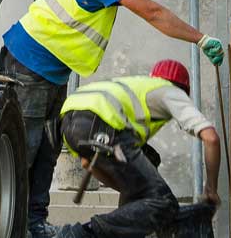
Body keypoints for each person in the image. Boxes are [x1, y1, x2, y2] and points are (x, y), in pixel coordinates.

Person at [0, 0, 227, 238]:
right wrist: (200, 38)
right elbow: (154, 13)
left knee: (45, 155)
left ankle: (34, 228)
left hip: (45, 67)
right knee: (26, 151)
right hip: (30, 66)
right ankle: (12, 229)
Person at [53, 59, 221, 238]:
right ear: (184, 90)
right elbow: (211, 138)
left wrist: (134, 193)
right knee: (164, 203)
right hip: (104, 125)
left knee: (149, 157)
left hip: (70, 123)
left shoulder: (135, 88)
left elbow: (88, 163)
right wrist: (211, 188)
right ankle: (79, 234)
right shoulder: (170, 91)